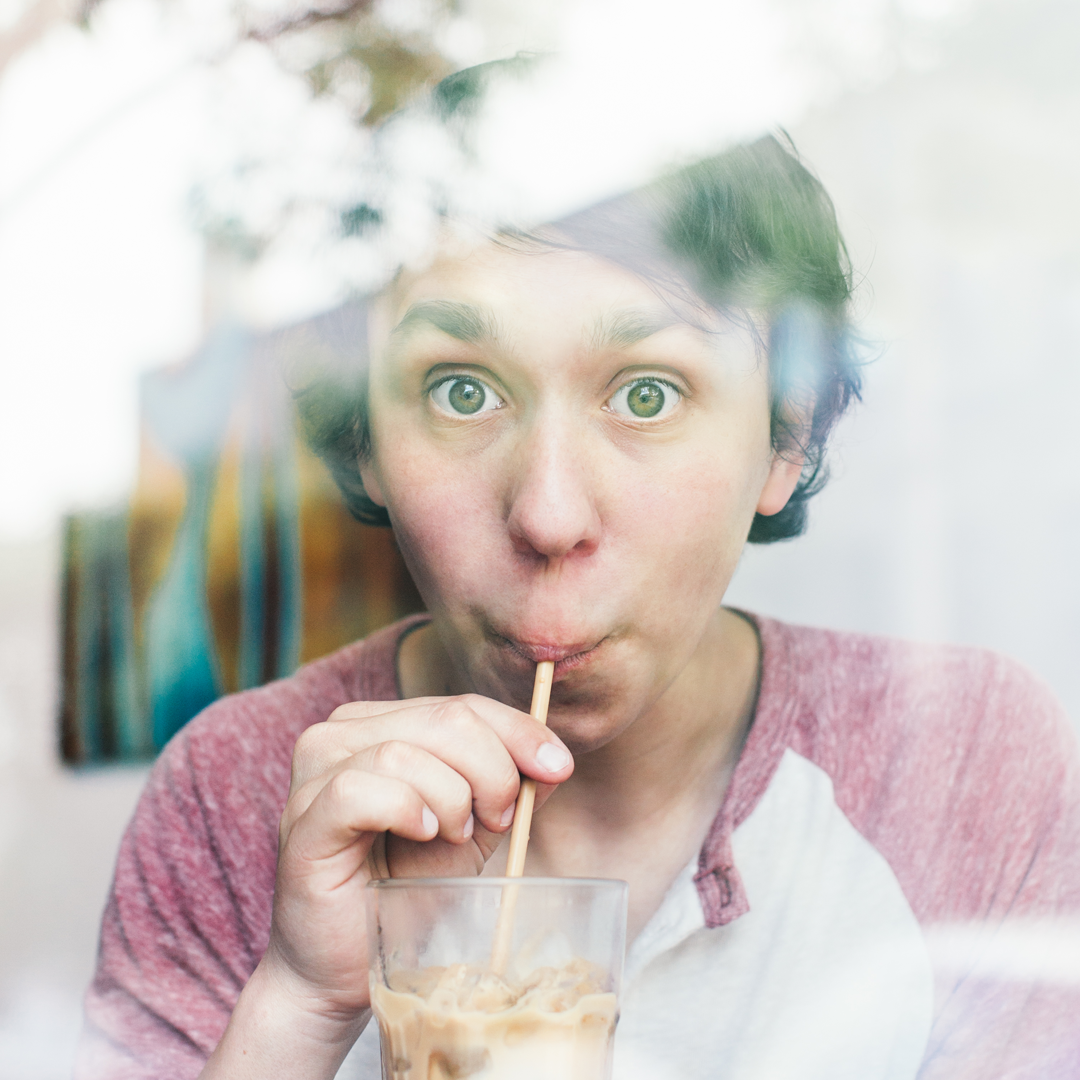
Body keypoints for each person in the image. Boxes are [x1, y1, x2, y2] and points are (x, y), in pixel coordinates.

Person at [76, 132, 1080, 1080]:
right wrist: (296, 1005)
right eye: (460, 392)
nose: (549, 516)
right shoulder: (231, 792)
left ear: (788, 436)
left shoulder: (965, 754)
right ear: (364, 441)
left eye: (647, 395)